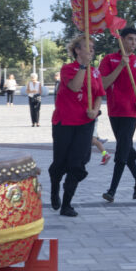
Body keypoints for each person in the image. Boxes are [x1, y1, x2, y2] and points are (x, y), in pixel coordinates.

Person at [49, 35, 106, 217]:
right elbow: (74, 87)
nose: (91, 51)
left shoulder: (96, 72)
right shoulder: (68, 69)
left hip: (85, 123)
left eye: (93, 48)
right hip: (64, 122)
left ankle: (67, 203)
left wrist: (95, 111)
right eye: (86, 47)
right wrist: (83, 66)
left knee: (78, 162)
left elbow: (99, 94)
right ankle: (55, 186)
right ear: (77, 50)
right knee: (60, 162)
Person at [98, 26, 136, 203]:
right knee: (125, 147)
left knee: (121, 151)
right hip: (114, 111)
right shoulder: (109, 60)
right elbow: (103, 84)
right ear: (121, 39)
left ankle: (112, 190)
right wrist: (121, 65)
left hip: (131, 112)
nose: (133, 43)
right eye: (130, 39)